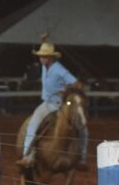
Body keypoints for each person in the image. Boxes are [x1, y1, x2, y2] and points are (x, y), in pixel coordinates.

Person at [20, 41, 90, 170]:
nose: (41, 58)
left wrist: (66, 91)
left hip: (60, 105)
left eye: (44, 56)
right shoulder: (45, 66)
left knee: (82, 128)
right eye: (41, 56)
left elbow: (77, 84)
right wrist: (44, 40)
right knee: (33, 125)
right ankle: (27, 156)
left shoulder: (59, 69)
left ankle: (82, 158)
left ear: (51, 58)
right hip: (47, 103)